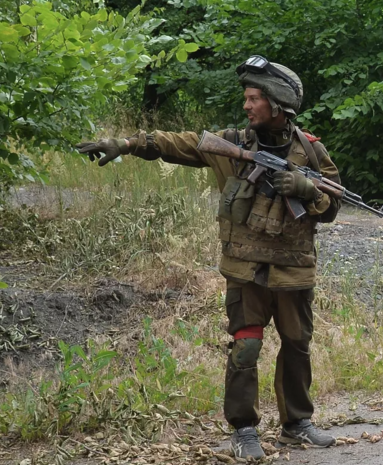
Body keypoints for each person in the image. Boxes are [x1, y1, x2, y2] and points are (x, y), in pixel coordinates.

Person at [76, 56, 339, 461]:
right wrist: (125, 144)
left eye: (255, 98)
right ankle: (244, 430)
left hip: (294, 270)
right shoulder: (231, 143)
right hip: (245, 269)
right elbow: (176, 143)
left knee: (297, 346)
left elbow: (335, 205)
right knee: (245, 349)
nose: (247, 105)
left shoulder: (312, 151)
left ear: (279, 104)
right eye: (247, 97)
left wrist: (306, 189)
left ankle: (297, 424)